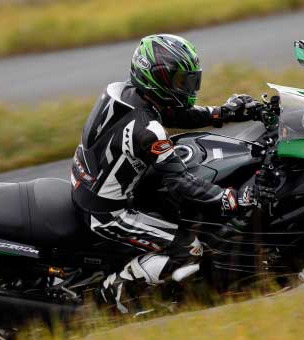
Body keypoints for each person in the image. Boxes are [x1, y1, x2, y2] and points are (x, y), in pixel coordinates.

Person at [71, 33, 265, 313]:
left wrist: (222, 114)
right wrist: (230, 199)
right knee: (190, 250)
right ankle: (105, 298)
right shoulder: (146, 130)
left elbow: (171, 114)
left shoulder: (124, 92)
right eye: (179, 81)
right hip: (107, 213)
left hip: (88, 181)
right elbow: (180, 182)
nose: (187, 87)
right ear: (156, 78)